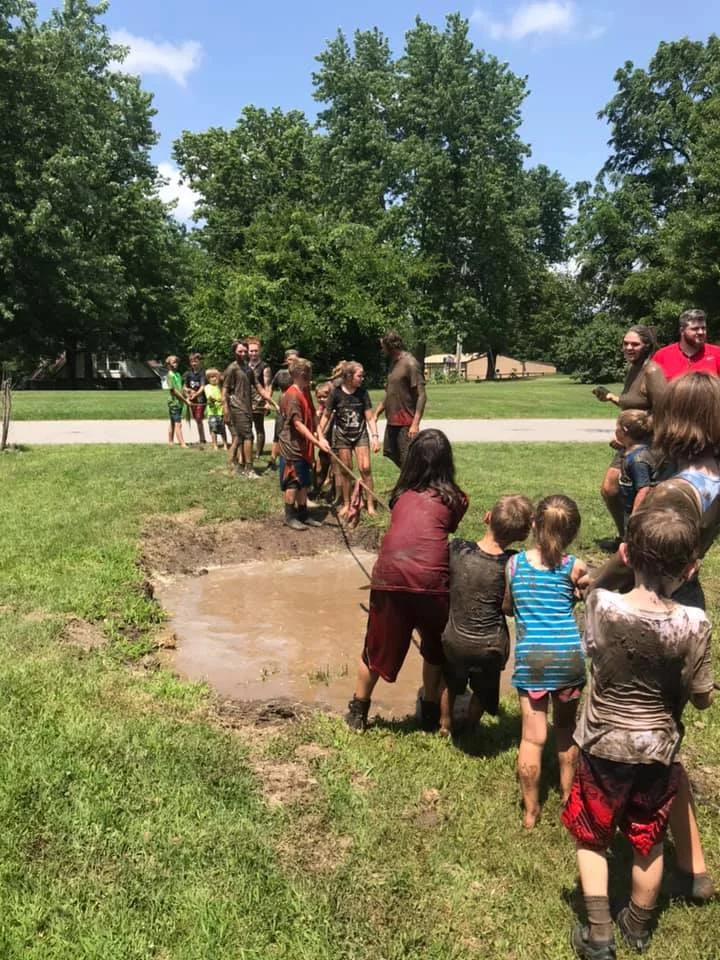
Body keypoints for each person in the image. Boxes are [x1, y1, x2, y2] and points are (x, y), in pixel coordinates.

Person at [583, 370, 720, 905]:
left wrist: (593, 588)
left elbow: (635, 556)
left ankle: (636, 841)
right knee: (664, 737)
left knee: (639, 735)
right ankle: (696, 870)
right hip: (688, 602)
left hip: (652, 610)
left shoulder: (671, 488)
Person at [562, 508, 713, 960]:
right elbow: (703, 696)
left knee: (591, 835)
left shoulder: (601, 605)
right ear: (690, 569)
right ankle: (638, 925)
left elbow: (591, 651)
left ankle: (599, 933)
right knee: (648, 838)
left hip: (602, 744)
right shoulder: (696, 623)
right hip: (657, 751)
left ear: (625, 554)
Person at [345, 429, 468, 732]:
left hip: (389, 577)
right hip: (431, 582)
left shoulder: (399, 496)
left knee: (375, 647)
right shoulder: (457, 499)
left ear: (412, 460)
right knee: (434, 648)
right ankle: (428, 710)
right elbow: (445, 528)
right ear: (446, 462)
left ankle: (358, 712)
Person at [506, 494, 587, 829]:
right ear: (572, 534)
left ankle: (530, 811)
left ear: (534, 525)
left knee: (531, 738)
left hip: (533, 660)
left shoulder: (514, 565)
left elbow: (508, 607)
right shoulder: (575, 567)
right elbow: (584, 594)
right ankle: (569, 800)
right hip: (568, 657)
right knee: (566, 731)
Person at [439, 494, 533, 738]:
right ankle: (471, 726)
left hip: (454, 640)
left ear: (487, 518)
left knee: (449, 683)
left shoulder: (457, 548)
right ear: (523, 536)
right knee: (483, 690)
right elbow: (508, 608)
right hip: (490, 647)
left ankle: (445, 725)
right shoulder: (513, 563)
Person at [593, 326, 666, 539]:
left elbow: (663, 412)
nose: (628, 347)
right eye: (625, 343)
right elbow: (635, 406)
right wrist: (613, 399)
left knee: (638, 494)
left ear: (647, 346)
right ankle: (625, 538)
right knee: (610, 489)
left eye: (634, 344)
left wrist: (635, 437)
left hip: (647, 445)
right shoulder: (633, 369)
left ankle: (640, 540)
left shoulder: (652, 371)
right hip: (630, 441)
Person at [318, 361, 381, 517]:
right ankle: (346, 504)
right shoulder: (336, 394)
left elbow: (369, 417)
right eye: (359, 375)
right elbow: (326, 416)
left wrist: (375, 436)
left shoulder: (362, 393)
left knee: (365, 468)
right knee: (346, 471)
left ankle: (370, 505)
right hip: (342, 437)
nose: (362, 378)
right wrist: (319, 435)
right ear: (348, 376)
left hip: (360, 435)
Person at [278, 357, 330, 530]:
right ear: (300, 374)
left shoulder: (305, 390)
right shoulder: (292, 396)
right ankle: (290, 516)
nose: (310, 376)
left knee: (304, 481)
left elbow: (314, 414)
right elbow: (298, 425)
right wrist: (316, 442)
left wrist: (321, 437)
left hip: (304, 445)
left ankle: (303, 514)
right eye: (308, 373)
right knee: (293, 480)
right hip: (292, 445)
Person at [222, 339, 273, 478]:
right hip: (236, 406)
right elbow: (225, 390)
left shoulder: (247, 369)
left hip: (247, 407)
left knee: (240, 437)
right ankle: (249, 469)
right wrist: (225, 409)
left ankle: (238, 465)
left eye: (245, 351)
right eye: (240, 351)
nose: (243, 353)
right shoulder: (232, 368)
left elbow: (259, 387)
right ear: (234, 352)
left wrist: (271, 401)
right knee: (248, 436)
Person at [375, 330, 426, 468]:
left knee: (408, 461)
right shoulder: (393, 364)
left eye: (383, 346)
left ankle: (414, 487)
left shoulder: (410, 364)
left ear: (389, 345)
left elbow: (422, 395)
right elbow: (389, 392)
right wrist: (376, 413)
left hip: (406, 422)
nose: (382, 349)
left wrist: (415, 424)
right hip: (392, 421)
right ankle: (408, 484)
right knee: (393, 454)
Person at [653, 308, 720, 380]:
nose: (701, 332)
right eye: (695, 329)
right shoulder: (662, 356)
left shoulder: (717, 353)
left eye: (703, 328)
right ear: (682, 331)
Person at [615, 409, 654, 530]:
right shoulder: (632, 451)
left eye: (617, 428)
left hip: (639, 513)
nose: (615, 431)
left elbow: (644, 489)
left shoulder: (638, 460)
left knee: (634, 538)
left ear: (624, 431)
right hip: (628, 507)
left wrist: (635, 515)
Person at [268, 349, 299, 470]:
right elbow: (271, 386)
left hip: (295, 406)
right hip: (282, 406)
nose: (293, 362)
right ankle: (272, 460)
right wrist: (268, 401)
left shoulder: (300, 373)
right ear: (286, 360)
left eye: (295, 359)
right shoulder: (281, 373)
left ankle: (295, 460)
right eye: (291, 359)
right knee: (278, 433)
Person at [247, 338, 272, 459]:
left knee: (259, 427)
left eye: (255, 351)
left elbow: (267, 385)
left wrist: (268, 401)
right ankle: (248, 450)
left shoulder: (264, 366)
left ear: (259, 351)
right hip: (246, 399)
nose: (253, 353)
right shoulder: (245, 365)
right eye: (251, 351)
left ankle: (258, 453)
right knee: (247, 427)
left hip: (259, 400)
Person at [202, 368, 229, 451]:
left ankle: (225, 444)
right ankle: (215, 445)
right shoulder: (207, 387)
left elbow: (224, 395)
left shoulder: (220, 387)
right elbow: (210, 397)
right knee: (213, 429)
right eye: (211, 377)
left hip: (221, 411)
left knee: (222, 429)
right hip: (212, 412)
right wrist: (219, 400)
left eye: (215, 376)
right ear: (208, 379)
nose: (214, 378)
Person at [183, 352, 207, 445]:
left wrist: (196, 394)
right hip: (192, 399)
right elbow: (184, 386)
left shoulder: (202, 373)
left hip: (201, 400)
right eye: (192, 361)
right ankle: (202, 438)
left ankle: (202, 439)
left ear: (199, 362)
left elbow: (202, 386)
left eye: (196, 361)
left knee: (198, 418)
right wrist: (188, 391)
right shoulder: (188, 374)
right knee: (197, 419)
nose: (194, 363)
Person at [165, 355, 187, 447]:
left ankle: (170, 441)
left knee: (173, 422)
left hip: (179, 402)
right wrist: (185, 400)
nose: (176, 364)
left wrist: (187, 392)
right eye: (174, 362)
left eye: (177, 362)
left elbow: (181, 387)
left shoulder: (178, 374)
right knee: (178, 423)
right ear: (168, 364)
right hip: (174, 403)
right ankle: (182, 443)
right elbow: (173, 391)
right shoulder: (170, 375)